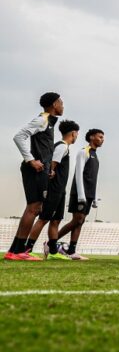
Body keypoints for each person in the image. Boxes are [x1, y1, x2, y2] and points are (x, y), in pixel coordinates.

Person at [6, 92, 63, 261]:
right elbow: (19, 136)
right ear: (54, 104)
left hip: (41, 170)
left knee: (34, 207)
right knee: (34, 208)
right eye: (60, 102)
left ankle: (15, 251)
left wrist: (48, 168)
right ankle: (18, 252)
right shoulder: (42, 119)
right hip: (34, 170)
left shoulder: (49, 122)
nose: (62, 105)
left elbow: (43, 147)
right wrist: (31, 160)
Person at [27, 120, 79, 260]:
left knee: (55, 221)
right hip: (54, 189)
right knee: (43, 219)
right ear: (73, 133)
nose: (77, 136)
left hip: (60, 190)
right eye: (77, 134)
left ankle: (53, 252)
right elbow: (53, 164)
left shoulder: (64, 147)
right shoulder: (62, 146)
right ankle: (27, 249)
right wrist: (52, 171)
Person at [56, 128, 104, 260]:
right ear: (91, 137)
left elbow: (94, 178)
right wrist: (81, 195)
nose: (102, 140)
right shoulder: (84, 152)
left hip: (88, 194)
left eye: (103, 137)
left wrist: (94, 197)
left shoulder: (96, 156)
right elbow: (78, 173)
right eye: (100, 137)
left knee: (80, 221)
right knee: (76, 219)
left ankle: (72, 251)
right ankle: (51, 242)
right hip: (79, 193)